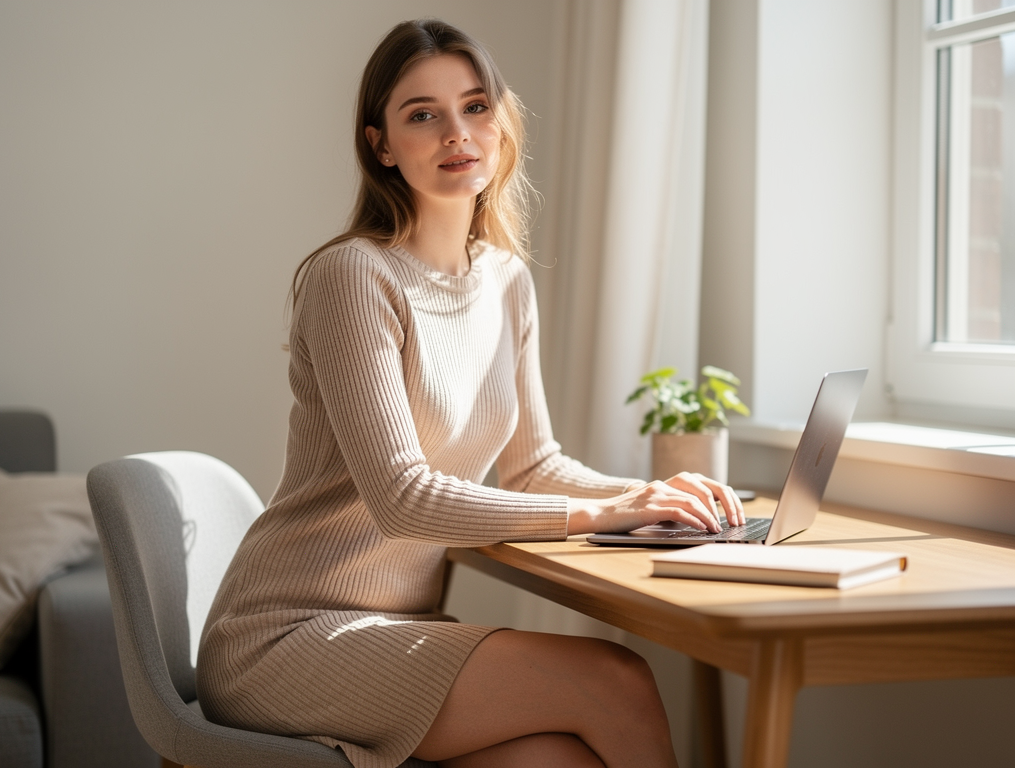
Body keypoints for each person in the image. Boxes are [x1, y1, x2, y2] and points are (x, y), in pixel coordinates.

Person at [197, 18, 744, 768]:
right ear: (381, 145)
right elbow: (401, 497)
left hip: (392, 627)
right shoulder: (353, 277)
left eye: (475, 105)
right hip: (287, 635)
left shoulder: (506, 281)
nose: (457, 131)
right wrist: (608, 512)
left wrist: (657, 496)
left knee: (565, 758)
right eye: (422, 114)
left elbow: (534, 465)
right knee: (615, 683)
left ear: (501, 121)